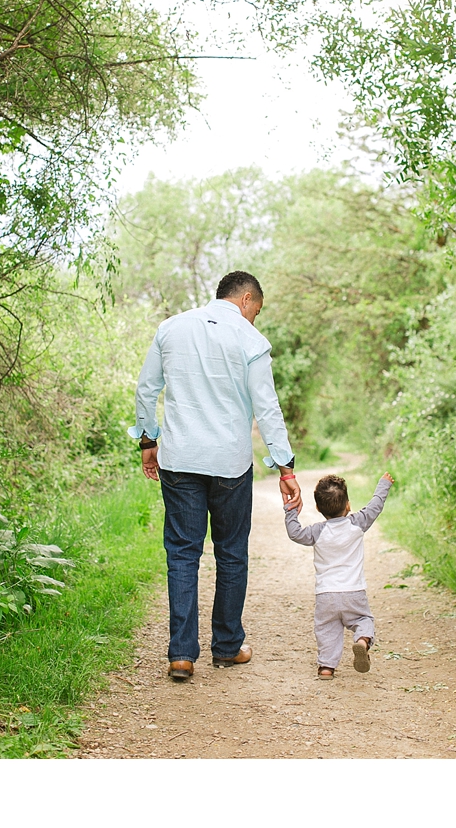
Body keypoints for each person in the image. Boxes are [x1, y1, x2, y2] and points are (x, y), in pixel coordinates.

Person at [130, 271, 301, 683]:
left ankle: (181, 656)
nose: (254, 320)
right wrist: (285, 465)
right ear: (245, 300)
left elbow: (145, 389)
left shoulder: (171, 328)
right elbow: (267, 406)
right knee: (231, 553)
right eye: (255, 312)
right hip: (229, 463)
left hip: (179, 459)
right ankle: (226, 648)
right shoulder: (250, 340)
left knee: (183, 553)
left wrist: (147, 442)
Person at [286, 472, 393, 679]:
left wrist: (290, 509)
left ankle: (326, 668)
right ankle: (362, 640)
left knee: (327, 630)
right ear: (348, 505)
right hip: (354, 592)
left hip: (326, 595)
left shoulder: (317, 532)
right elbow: (375, 507)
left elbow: (295, 533)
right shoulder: (357, 523)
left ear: (318, 508)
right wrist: (384, 485)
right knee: (363, 619)